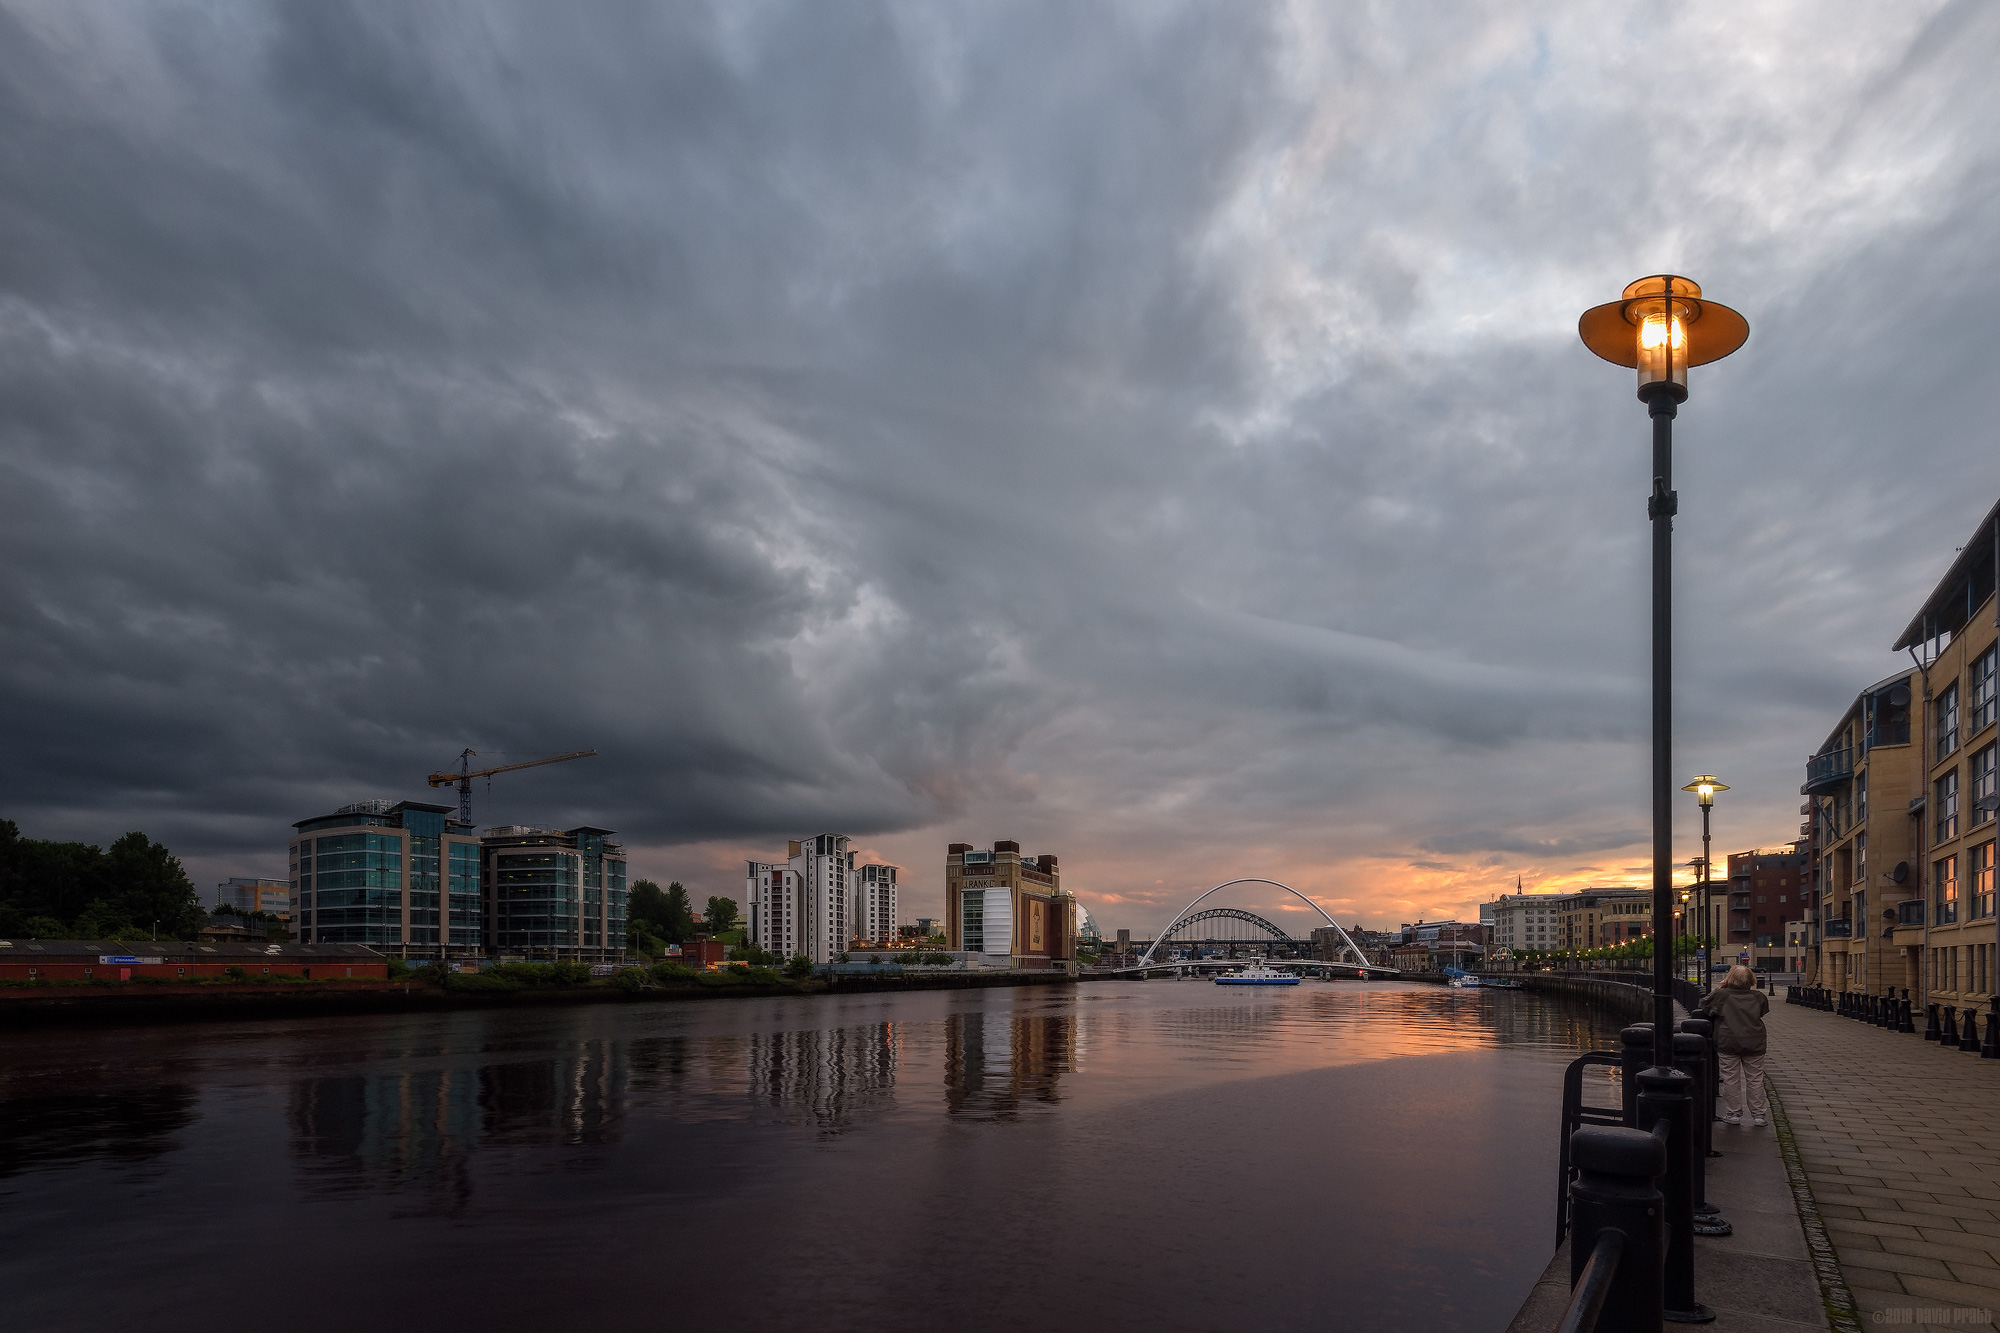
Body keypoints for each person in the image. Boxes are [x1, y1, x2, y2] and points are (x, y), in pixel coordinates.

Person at [1700, 964, 1771, 1126]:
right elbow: (1762, 1012)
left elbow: (1704, 1005)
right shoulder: (1758, 997)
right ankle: (1759, 1115)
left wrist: (1720, 987)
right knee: (1755, 1078)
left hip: (1728, 1040)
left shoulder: (1721, 995)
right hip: (1755, 1041)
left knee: (1730, 1078)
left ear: (1729, 979)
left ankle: (1734, 1113)